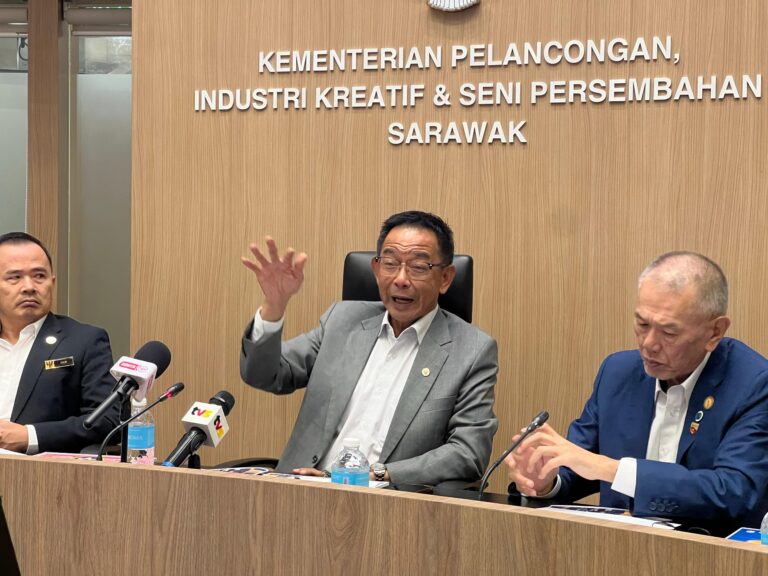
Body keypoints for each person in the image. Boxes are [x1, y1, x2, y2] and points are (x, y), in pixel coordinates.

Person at [505, 251, 768, 531]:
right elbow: (579, 465)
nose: (649, 344)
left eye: (669, 332)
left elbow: (733, 491)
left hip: (710, 551)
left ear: (715, 332)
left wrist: (612, 469)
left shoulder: (753, 383)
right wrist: (546, 480)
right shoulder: (617, 373)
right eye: (642, 324)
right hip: (622, 547)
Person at [240, 211, 498, 486]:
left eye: (418, 267)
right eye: (390, 263)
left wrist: (375, 474)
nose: (401, 279)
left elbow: (468, 453)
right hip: (300, 489)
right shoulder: (342, 320)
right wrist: (274, 306)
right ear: (376, 270)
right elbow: (264, 375)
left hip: (385, 500)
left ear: (445, 278)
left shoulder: (472, 351)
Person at [0, 232, 119, 454]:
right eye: (14, 277)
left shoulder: (84, 341)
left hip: (38, 469)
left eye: (39, 276)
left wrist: (30, 436)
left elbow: (108, 419)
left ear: (52, 282)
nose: (29, 286)